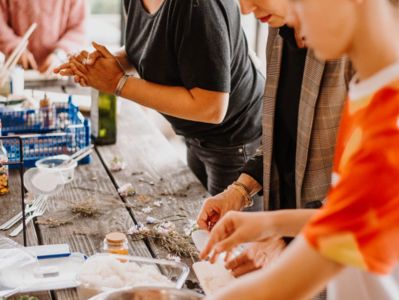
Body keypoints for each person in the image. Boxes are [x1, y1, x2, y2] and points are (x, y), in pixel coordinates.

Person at [200, 0, 399, 299]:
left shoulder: (390, 128)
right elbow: (353, 214)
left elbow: (276, 289)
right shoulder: (371, 92)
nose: (292, 14)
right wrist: (269, 223)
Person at [196, 0, 352, 277]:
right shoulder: (280, 30)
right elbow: (281, 135)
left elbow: (367, 205)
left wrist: (285, 237)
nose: (244, 9)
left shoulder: (364, 57)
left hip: (339, 261)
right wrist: (239, 192)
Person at [54, 0, 265, 196]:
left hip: (236, 140)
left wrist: (118, 83)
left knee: (226, 234)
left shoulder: (200, 6)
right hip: (196, 135)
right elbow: (150, 46)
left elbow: (212, 107)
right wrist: (102, 64)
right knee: (200, 219)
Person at [0, 0, 86, 73]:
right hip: (16, 72)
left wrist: (60, 54)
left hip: (58, 72)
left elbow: (77, 28)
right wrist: (14, 47)